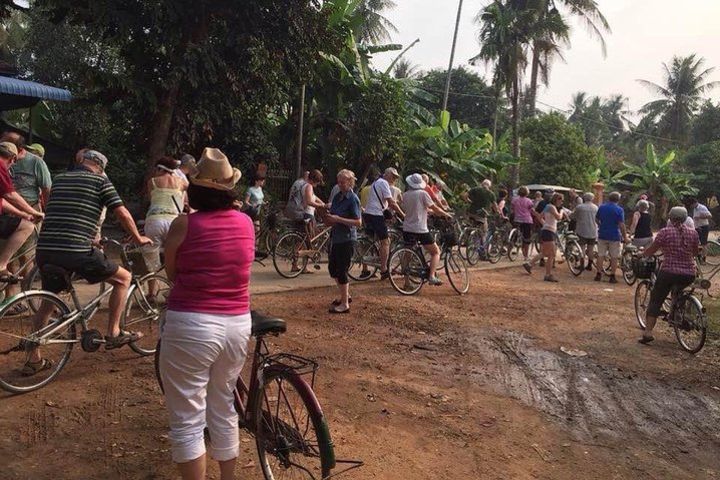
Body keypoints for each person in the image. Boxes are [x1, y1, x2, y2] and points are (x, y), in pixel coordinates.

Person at [159, 147, 254, 480]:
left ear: (195, 189)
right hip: (237, 325)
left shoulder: (183, 224)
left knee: (187, 417)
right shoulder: (246, 223)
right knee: (223, 404)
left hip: (192, 325)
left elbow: (171, 273)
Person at [23, 150, 152, 375]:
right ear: (101, 168)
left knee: (48, 301)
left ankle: (33, 358)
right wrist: (139, 238)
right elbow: (122, 213)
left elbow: (65, 213)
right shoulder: (101, 181)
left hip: (45, 249)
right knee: (124, 278)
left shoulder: (60, 179)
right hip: (75, 251)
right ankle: (113, 332)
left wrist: (92, 237)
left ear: (81, 162)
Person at [638, 206, 699, 345]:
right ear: (685, 218)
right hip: (689, 273)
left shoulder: (665, 232)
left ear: (670, 218)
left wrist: (643, 254)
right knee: (678, 292)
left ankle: (648, 333)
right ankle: (677, 312)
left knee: (655, 300)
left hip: (668, 272)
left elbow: (653, 249)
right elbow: (695, 252)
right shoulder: (693, 233)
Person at [0, 142, 44, 282]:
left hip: (16, 211)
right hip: (28, 208)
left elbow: (2, 201)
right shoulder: (1, 165)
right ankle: (1, 265)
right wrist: (35, 212)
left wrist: (24, 214)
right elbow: (10, 195)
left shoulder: (38, 164)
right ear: (12, 158)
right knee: (27, 226)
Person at [142, 156, 187, 294]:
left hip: (154, 221)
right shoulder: (183, 183)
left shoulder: (152, 182)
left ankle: (151, 294)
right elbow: (184, 202)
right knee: (175, 257)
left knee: (151, 259)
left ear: (160, 168)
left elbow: (151, 200)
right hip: (174, 222)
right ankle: (174, 290)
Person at [402, 173, 450, 286]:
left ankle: (406, 281)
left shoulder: (406, 195)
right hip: (420, 229)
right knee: (435, 252)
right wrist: (445, 214)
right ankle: (432, 276)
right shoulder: (423, 194)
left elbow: (417, 209)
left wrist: (430, 211)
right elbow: (434, 207)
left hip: (407, 228)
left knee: (408, 253)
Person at [324, 169, 361, 314]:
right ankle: (345, 295)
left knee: (342, 270)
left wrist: (339, 219)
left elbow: (358, 222)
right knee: (333, 269)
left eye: (343, 182)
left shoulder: (353, 199)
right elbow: (333, 215)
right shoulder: (338, 197)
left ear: (350, 182)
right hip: (336, 237)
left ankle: (345, 303)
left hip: (347, 238)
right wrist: (328, 218)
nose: (340, 184)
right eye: (338, 182)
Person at [363, 167, 404, 279]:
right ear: (387, 175)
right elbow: (391, 202)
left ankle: (370, 264)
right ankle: (384, 269)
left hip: (369, 213)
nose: (394, 179)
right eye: (393, 176)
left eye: (395, 177)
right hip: (376, 215)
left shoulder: (377, 182)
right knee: (385, 242)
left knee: (374, 240)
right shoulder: (384, 183)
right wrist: (403, 215)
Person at [2, 132, 52, 211]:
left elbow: (46, 189)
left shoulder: (36, 162)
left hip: (30, 209)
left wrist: (48, 212)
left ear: (20, 149)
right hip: (6, 211)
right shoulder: (2, 160)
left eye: (6, 148)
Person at [523, 192, 564, 282]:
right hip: (549, 232)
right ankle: (548, 274)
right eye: (561, 200)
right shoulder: (552, 207)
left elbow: (539, 217)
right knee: (551, 254)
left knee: (545, 253)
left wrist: (545, 224)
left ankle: (530, 264)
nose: (561, 203)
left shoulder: (548, 207)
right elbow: (558, 217)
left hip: (547, 230)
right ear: (557, 199)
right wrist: (561, 212)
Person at [595, 191, 628, 283]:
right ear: (618, 199)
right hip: (614, 235)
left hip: (602, 233)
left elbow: (596, 219)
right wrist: (625, 236)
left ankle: (598, 274)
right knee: (614, 256)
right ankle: (612, 276)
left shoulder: (602, 207)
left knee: (600, 255)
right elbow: (621, 224)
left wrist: (601, 225)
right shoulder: (619, 210)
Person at [572, 193, 599, 272]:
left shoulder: (580, 207)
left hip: (582, 230)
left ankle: (582, 264)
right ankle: (590, 265)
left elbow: (573, 216)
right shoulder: (596, 207)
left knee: (582, 248)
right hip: (593, 230)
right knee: (590, 249)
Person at [511, 186, 534, 261]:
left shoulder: (514, 200)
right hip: (527, 220)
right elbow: (531, 210)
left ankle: (509, 251)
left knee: (514, 235)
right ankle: (526, 256)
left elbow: (513, 209)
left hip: (517, 219)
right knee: (527, 238)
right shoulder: (529, 201)